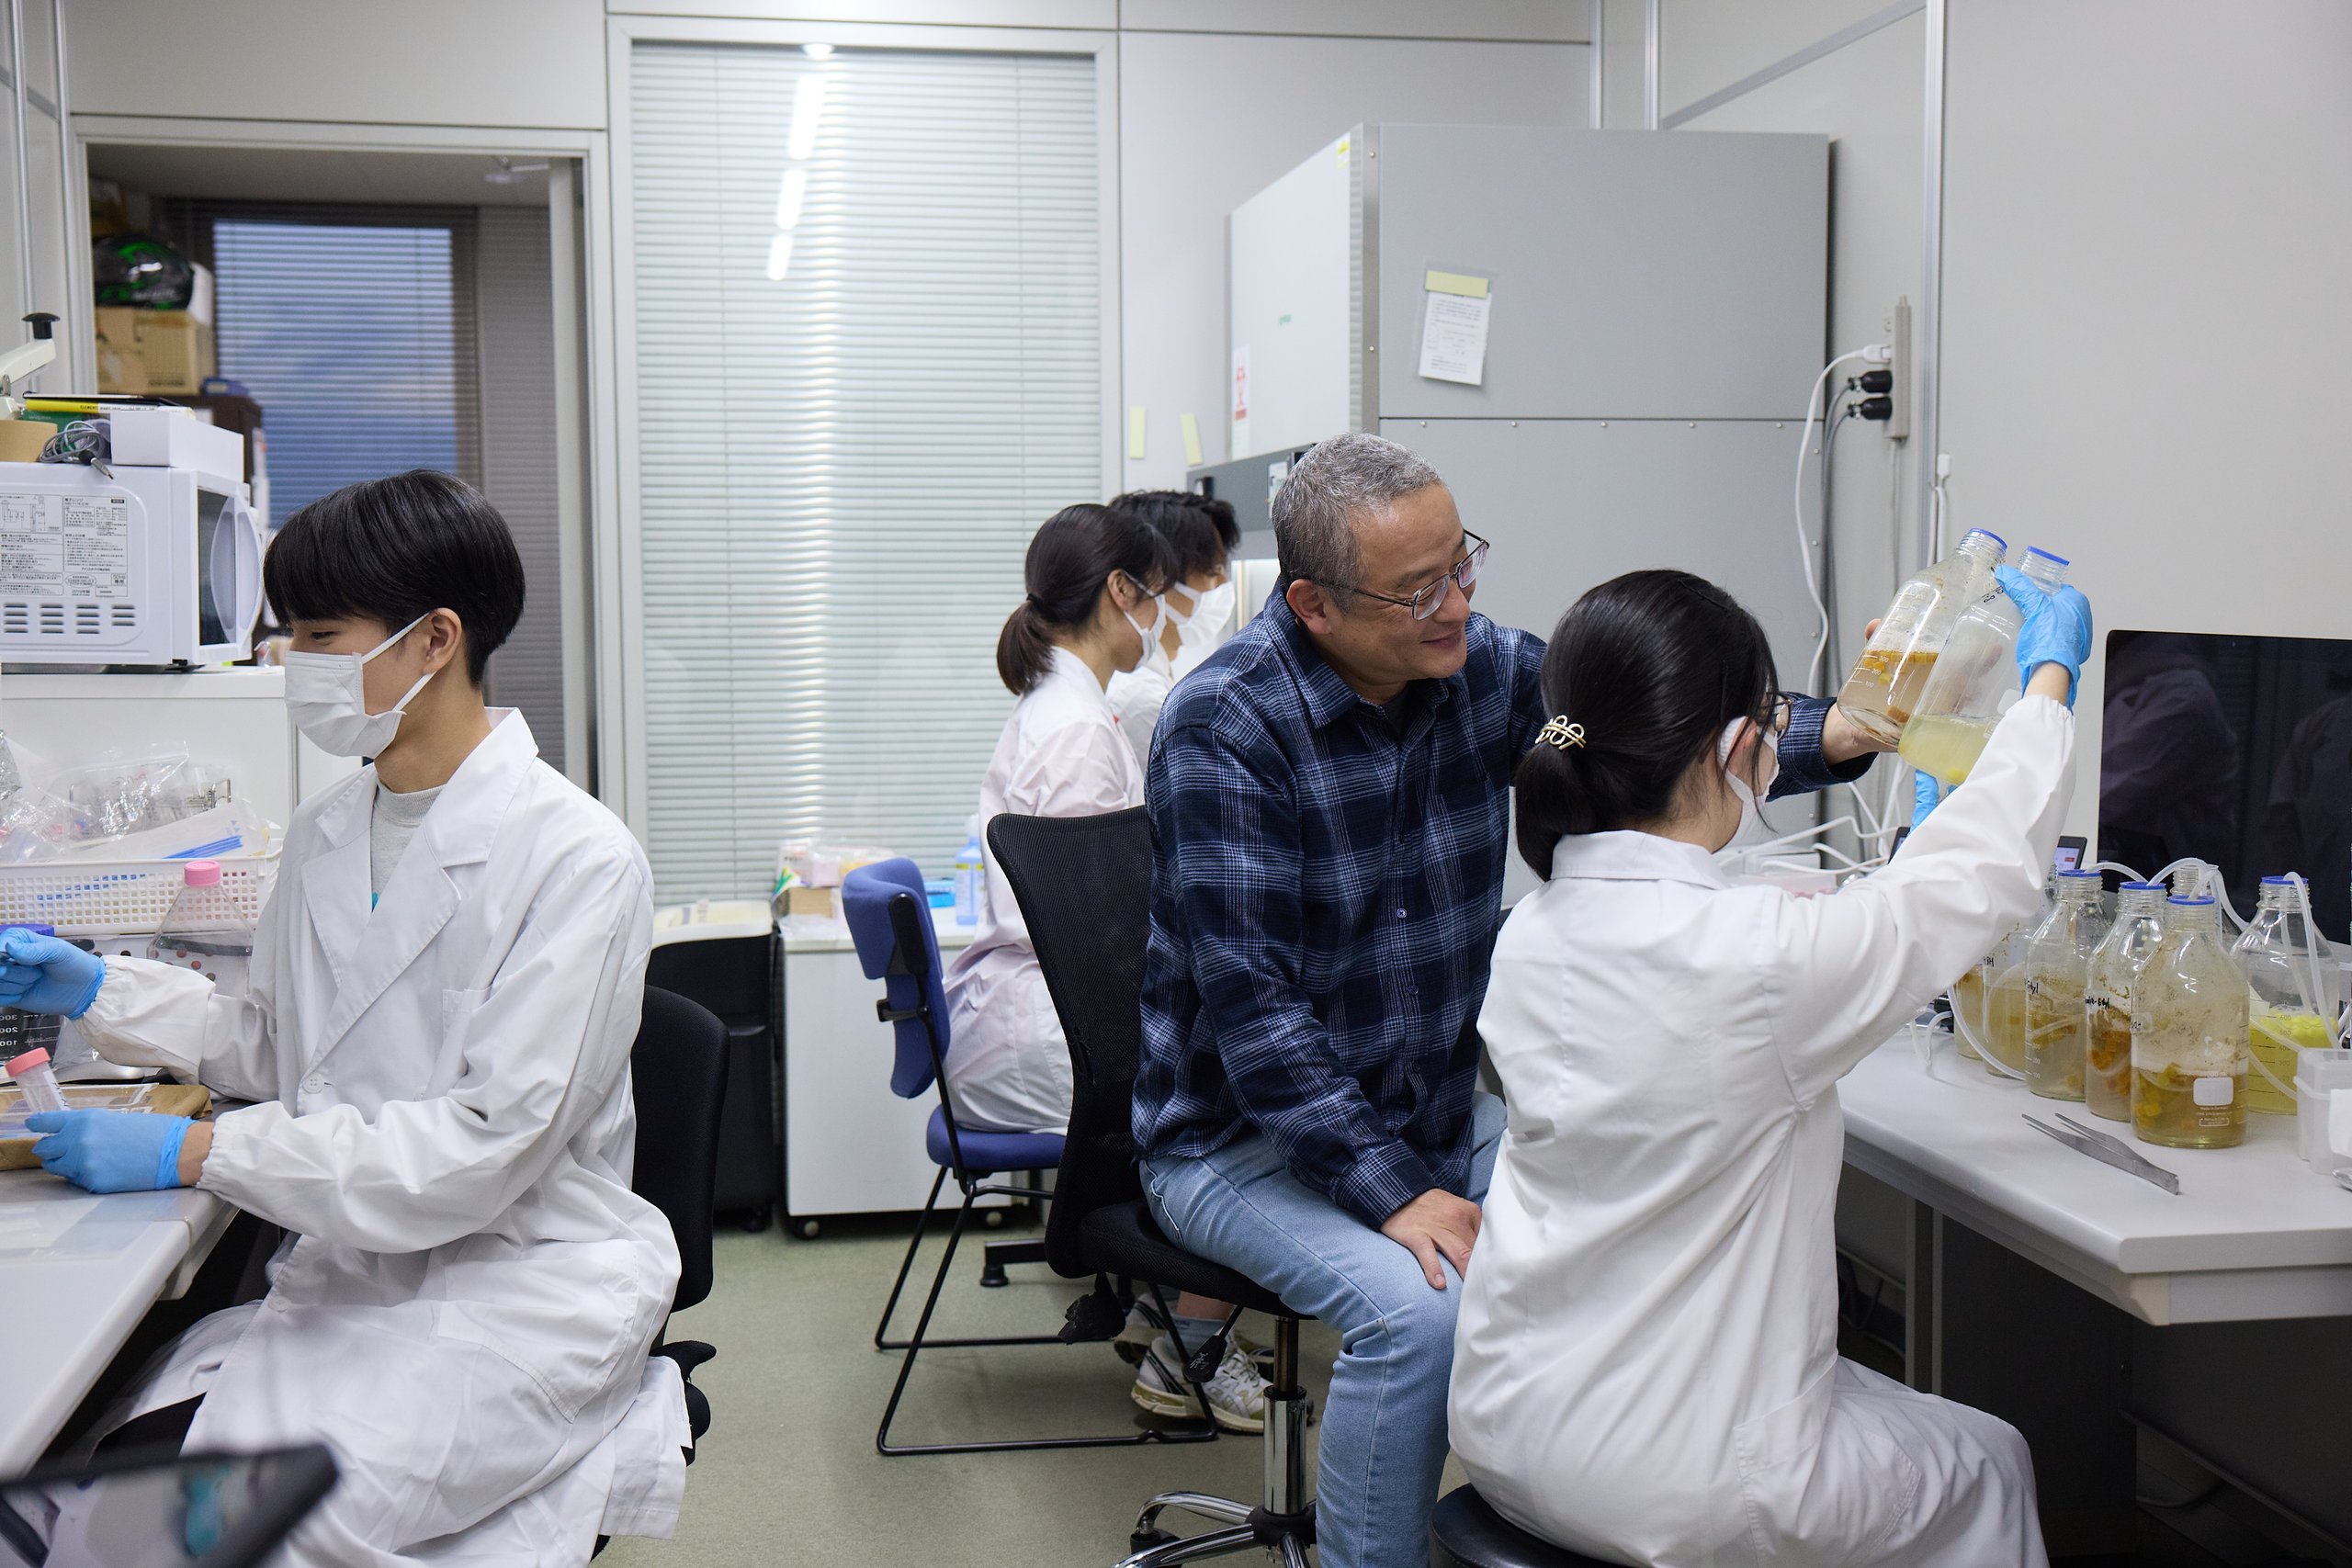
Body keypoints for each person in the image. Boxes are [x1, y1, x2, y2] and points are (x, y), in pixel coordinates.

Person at [1131, 432, 1894, 1567]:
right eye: (1417, 590)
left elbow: (1642, 732)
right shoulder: (1227, 727)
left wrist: (1834, 731)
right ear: (1313, 605)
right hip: (1234, 1142)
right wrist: (1396, 1190)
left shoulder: (1479, 673)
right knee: (1420, 1314)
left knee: (1641, 1202)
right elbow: (1256, 1010)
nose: (1457, 607)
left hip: (1430, 1112)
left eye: (1462, 565)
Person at [7, 472, 685, 1567]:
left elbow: (481, 1149)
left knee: (235, 1533)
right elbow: (284, 1046)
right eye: (292, 634)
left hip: (518, 1280)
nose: (293, 664)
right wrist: (99, 990)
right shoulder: (330, 829)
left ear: (434, 642)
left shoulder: (579, 859)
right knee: (87, 1500)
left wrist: (200, 1152)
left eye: (322, 636)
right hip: (348, 1262)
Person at [1451, 565, 2092, 1567]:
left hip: (1509, 1419)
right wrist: (2045, 686)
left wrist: (1922, 772)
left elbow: (1796, 923)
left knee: (1892, 1415)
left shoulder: (1533, 931)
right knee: (1989, 1461)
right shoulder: (1756, 960)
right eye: (1773, 720)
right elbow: (1976, 875)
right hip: (1675, 1473)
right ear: (1734, 747)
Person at [940, 502, 1269, 1431]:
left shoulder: (1067, 709)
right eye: (1160, 595)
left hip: (1028, 1011)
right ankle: (1188, 1346)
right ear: (1122, 593)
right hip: (1042, 1024)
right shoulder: (1078, 730)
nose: (1165, 617)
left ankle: (1163, 1314)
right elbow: (1100, 940)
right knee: (1250, 1103)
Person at [1103, 490, 1242, 767]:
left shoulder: (1144, 676)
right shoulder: (1143, 700)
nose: (1223, 585)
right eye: (1212, 572)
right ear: (1156, 579)